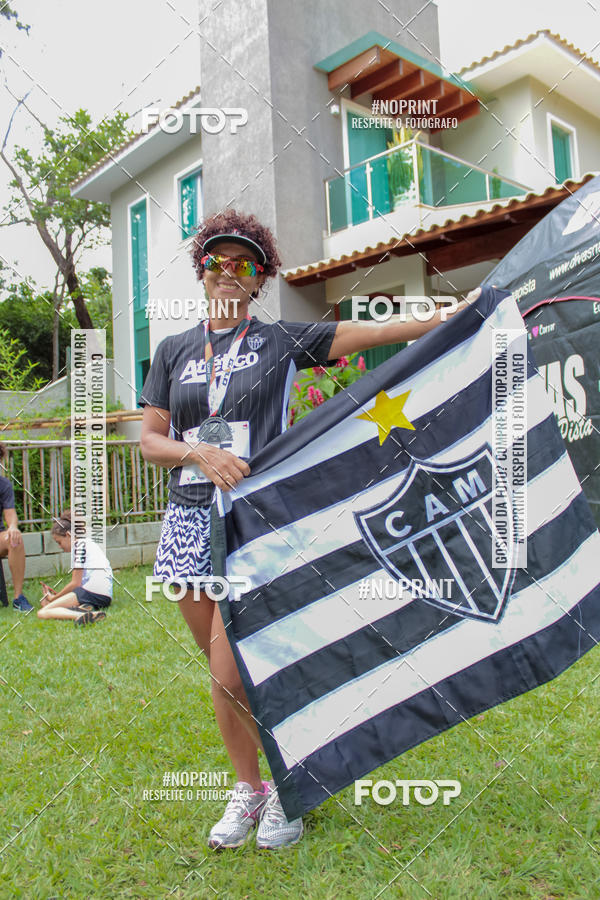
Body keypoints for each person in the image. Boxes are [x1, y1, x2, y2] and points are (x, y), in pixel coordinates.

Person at [139, 208, 478, 850]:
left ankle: (290, 791)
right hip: (187, 518)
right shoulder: (173, 350)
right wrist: (197, 452)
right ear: (202, 271)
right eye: (218, 262)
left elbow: (368, 334)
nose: (229, 273)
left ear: (261, 278)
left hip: (254, 522)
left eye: (245, 264)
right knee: (223, 678)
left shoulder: (281, 341)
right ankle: (251, 791)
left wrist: (450, 316)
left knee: (237, 668)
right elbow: (150, 441)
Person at [37, 511, 113, 626]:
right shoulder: (88, 543)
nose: (60, 546)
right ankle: (84, 609)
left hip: (92, 592)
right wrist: (61, 597)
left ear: (68, 535)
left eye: (59, 542)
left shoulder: (78, 546)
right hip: (105, 596)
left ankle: (80, 615)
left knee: (43, 612)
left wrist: (53, 599)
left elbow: (75, 584)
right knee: (58, 605)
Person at [0, 441, 32, 612]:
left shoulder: (4, 485)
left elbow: (10, 514)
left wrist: (13, 527)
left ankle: (18, 598)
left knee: (15, 540)